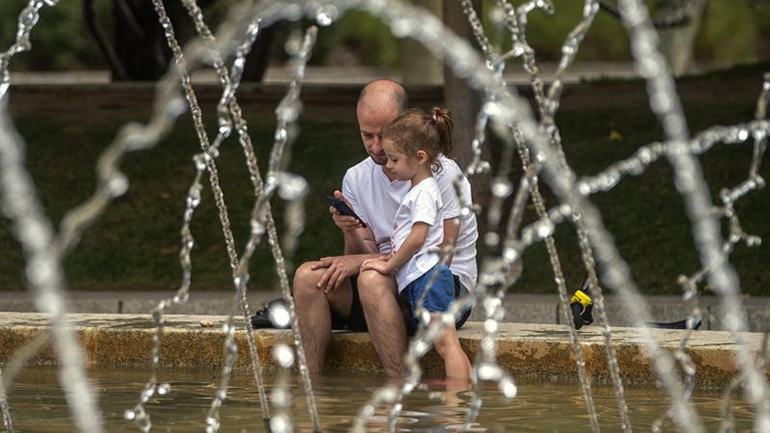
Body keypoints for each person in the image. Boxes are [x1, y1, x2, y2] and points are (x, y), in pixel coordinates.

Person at [291, 79, 478, 377]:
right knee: (306, 278)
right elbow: (358, 255)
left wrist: (371, 263)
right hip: (386, 285)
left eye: (384, 135)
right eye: (367, 135)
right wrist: (350, 229)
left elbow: (441, 256)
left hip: (438, 286)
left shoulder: (440, 175)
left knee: (370, 280)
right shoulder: (356, 178)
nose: (376, 147)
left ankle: (398, 386)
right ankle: (309, 386)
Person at [360, 107, 472, 379]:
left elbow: (418, 238)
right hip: (425, 277)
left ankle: (454, 407)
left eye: (394, 159)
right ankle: (464, 392)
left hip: (429, 278)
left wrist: (390, 265)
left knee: (446, 344)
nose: (388, 165)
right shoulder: (420, 188)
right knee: (447, 342)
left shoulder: (423, 192)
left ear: (420, 157)